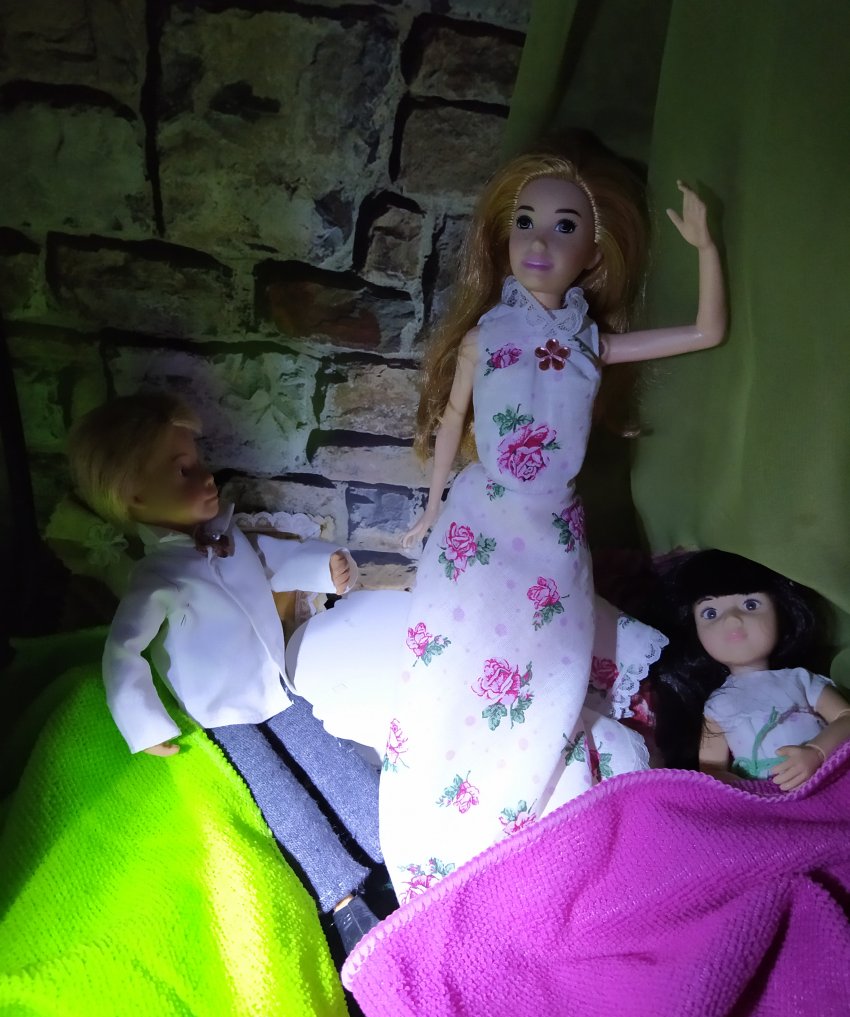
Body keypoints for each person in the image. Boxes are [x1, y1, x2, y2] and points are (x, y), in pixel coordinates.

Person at [380, 142, 728, 902]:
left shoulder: (590, 345)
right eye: (525, 222)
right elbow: (452, 421)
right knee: (447, 670)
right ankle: (430, 832)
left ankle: (513, 832)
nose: (538, 241)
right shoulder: (485, 336)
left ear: (593, 253)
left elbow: (706, 333)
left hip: (555, 537)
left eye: (564, 226)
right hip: (477, 525)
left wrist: (706, 248)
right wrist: (432, 506)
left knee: (548, 679)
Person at [67, 392, 383, 948]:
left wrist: (323, 566)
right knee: (279, 801)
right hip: (220, 715)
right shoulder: (157, 579)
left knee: (331, 759)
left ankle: (395, 844)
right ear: (136, 495)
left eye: (199, 462)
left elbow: (278, 562)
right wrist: (145, 724)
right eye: (184, 470)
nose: (207, 476)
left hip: (275, 688)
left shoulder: (231, 541)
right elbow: (123, 652)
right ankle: (344, 902)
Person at [652, 549, 850, 788]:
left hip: (828, 780)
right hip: (760, 797)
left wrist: (816, 752)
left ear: (780, 611)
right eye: (710, 613)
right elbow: (712, 768)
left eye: (751, 604)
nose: (732, 619)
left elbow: (845, 717)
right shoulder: (718, 705)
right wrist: (743, 791)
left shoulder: (800, 680)